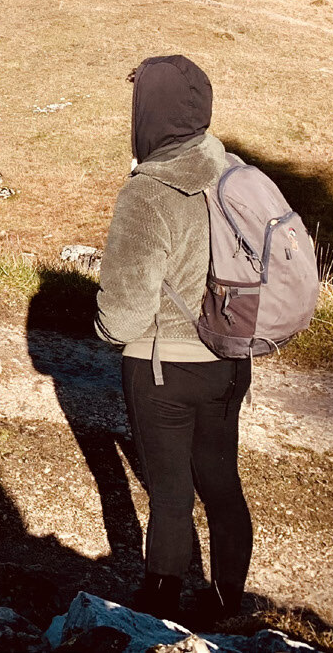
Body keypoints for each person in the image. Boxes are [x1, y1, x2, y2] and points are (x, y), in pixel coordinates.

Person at [96, 55, 252, 626]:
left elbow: (124, 317)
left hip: (162, 369)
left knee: (170, 494)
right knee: (221, 483)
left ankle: (159, 613)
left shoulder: (147, 193)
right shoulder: (233, 170)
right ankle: (226, 605)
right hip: (230, 359)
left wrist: (103, 327)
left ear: (150, 113)